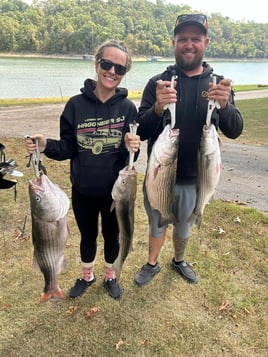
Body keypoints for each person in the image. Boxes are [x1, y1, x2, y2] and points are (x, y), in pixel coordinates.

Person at [134, 14, 243, 287]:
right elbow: (141, 130)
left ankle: (179, 260)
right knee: (157, 222)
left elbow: (235, 129)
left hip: (197, 178)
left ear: (205, 42)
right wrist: (157, 108)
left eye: (195, 38)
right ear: (174, 43)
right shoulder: (159, 82)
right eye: (183, 39)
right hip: (161, 173)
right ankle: (152, 263)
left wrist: (225, 106)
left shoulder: (217, 83)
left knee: (184, 225)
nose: (189, 44)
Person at [25, 40, 140, 299]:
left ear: (124, 73)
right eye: (107, 64)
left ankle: (111, 275)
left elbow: (130, 156)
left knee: (112, 236)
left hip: (114, 194)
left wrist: (133, 146)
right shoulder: (76, 105)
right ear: (97, 63)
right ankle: (87, 275)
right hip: (83, 190)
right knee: (87, 236)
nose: (112, 71)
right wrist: (45, 145)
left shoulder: (128, 108)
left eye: (119, 69)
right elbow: (67, 147)